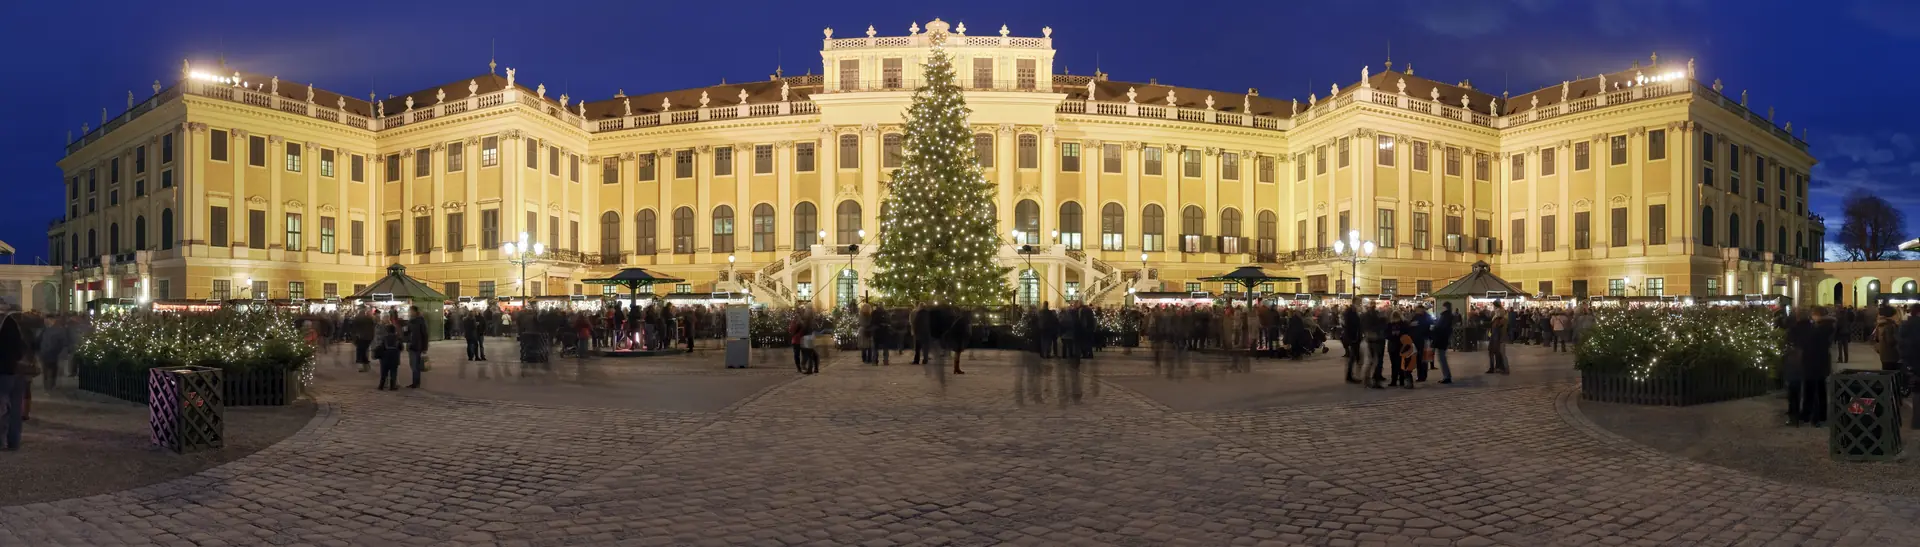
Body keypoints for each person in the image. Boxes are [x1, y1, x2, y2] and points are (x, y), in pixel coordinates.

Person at [1791, 307, 1837, 426]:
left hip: (1814, 362)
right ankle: (1819, 415)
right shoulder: (1825, 326)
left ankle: (1813, 416)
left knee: (1812, 389)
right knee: (1819, 389)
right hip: (1821, 362)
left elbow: (1812, 345)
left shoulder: (1821, 328)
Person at [0, 311, 29, 450]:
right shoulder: (11, 322)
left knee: (3, 408)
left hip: (3, 371)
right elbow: (20, 348)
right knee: (15, 408)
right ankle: (13, 441)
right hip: (14, 369)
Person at [375, 319, 403, 391]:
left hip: (385, 357)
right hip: (394, 357)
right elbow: (401, 347)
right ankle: (392, 386)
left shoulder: (384, 338)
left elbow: (381, 347)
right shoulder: (397, 338)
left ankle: (381, 385)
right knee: (393, 372)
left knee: (384, 372)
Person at [1432, 302, 1457, 384]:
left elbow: (1441, 327)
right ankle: (1447, 376)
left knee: (1442, 358)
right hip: (1443, 338)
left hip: (1441, 339)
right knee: (1442, 358)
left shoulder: (1445, 316)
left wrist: (1434, 328)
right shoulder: (1449, 316)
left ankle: (1447, 376)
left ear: (1445, 307)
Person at [1873, 306, 1901, 373]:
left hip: (1884, 354)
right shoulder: (1890, 325)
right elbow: (1890, 341)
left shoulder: (1880, 324)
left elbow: (1876, 338)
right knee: (1892, 375)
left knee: (1886, 373)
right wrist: (1899, 339)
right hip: (1891, 355)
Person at [406, 306, 428, 389]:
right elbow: (407, 333)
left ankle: (416, 383)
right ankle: (415, 382)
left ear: (415, 311)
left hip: (417, 346)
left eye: (411, 311)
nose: (409, 312)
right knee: (412, 365)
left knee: (415, 366)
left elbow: (425, 334)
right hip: (410, 345)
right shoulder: (410, 321)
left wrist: (425, 347)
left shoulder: (420, 320)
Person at [1342, 302, 1363, 384]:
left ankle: (1350, 375)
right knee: (1353, 357)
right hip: (1353, 339)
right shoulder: (1352, 315)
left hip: (1353, 338)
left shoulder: (1349, 315)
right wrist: (1354, 338)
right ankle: (1350, 375)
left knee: (1353, 357)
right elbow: (1354, 327)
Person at [1487, 301, 1510, 375]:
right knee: (1498, 353)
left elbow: (1496, 329)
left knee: (1501, 353)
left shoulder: (1499, 319)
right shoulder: (1501, 317)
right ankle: (1499, 368)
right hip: (1496, 338)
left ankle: (1503, 369)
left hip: (1497, 338)